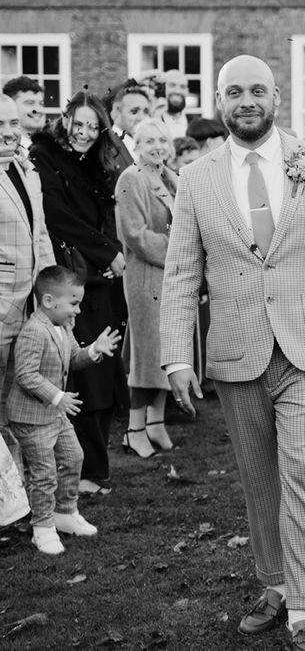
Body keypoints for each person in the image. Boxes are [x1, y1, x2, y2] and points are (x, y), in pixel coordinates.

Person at [159, 54, 305, 651]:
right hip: (237, 351)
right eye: (234, 91)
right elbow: (182, 272)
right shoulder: (197, 179)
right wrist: (175, 357)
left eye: (257, 90)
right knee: (260, 479)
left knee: (302, 473)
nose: (247, 101)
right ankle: (275, 584)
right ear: (219, 101)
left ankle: (304, 608)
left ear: (276, 97)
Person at [30, 90, 127, 495]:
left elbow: (110, 209)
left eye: (93, 126)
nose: (85, 133)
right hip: (70, 277)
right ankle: (81, 472)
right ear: (66, 119)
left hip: (101, 276)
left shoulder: (101, 160)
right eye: (79, 123)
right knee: (82, 372)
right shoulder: (44, 156)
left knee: (104, 369)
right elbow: (58, 216)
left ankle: (97, 470)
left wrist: (111, 253)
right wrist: (105, 251)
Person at [7, 266, 120, 555]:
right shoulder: (34, 332)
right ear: (48, 301)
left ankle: (65, 512)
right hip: (32, 417)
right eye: (73, 303)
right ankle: (43, 527)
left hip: (55, 413)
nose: (78, 311)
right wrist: (58, 397)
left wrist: (94, 349)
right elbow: (26, 375)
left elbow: (74, 356)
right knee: (44, 473)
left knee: (74, 457)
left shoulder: (63, 327)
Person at [115, 119, 179, 458]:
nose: (157, 146)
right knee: (147, 357)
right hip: (145, 278)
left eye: (163, 140)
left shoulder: (170, 176)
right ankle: (134, 429)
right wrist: (179, 250)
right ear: (137, 145)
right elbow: (135, 235)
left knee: (167, 354)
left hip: (170, 280)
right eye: (150, 140)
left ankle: (156, 423)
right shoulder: (131, 179)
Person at [0, 95, 56, 476]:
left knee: (13, 406)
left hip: (29, 308)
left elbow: (40, 234)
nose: (7, 133)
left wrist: (51, 294)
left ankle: (15, 498)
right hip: (1, 306)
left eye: (13, 124)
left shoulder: (25, 170)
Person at [109, 85, 152, 162]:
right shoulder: (107, 146)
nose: (142, 118)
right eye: (134, 111)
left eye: (146, 112)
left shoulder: (148, 146)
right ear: (117, 112)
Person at [2, 76, 46, 151]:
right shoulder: (4, 149)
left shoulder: (51, 148)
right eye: (30, 103)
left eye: (41, 104)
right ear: (11, 105)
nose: (38, 109)